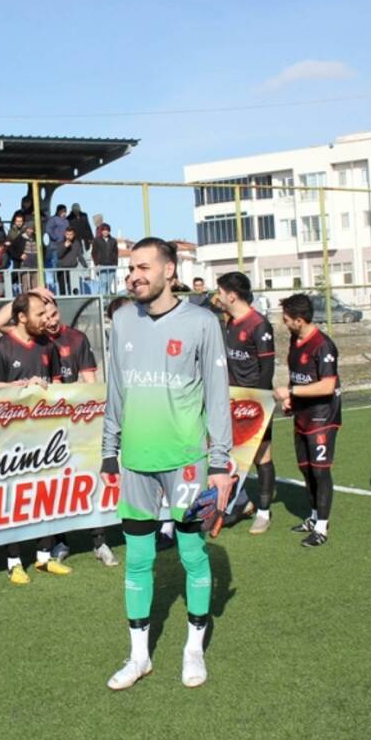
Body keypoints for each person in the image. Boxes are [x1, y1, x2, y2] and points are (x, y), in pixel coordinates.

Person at [100, 238, 233, 691]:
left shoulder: (201, 322)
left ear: (169, 271)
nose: (133, 275)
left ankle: (192, 649)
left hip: (187, 462)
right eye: (129, 268)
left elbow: (218, 395)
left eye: (142, 267)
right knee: (137, 559)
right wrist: (109, 448)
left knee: (192, 552)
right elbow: (115, 389)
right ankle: (139, 657)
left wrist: (221, 463)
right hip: (136, 461)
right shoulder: (121, 320)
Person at [0, 291, 67, 582]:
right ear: (22, 317)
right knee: (13, 498)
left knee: (45, 493)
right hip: (10, 436)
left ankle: (44, 556)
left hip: (44, 435)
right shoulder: (1, 348)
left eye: (45, 312)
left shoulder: (47, 346)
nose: (44, 319)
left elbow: (58, 386)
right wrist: (19, 388)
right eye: (39, 313)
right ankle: (13, 561)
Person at [273, 294, 342, 548]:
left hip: (323, 416)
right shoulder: (295, 339)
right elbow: (298, 375)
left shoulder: (323, 345)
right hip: (302, 414)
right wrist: (292, 397)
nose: (284, 323)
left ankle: (322, 527)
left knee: (320, 471)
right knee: (305, 468)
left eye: (287, 319)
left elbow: (326, 385)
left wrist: (290, 392)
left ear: (300, 320)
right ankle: (313, 517)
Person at [214, 272, 277, 534]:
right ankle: (241, 504)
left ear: (232, 295)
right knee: (228, 455)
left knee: (262, 456)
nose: (216, 296)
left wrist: (258, 404)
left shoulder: (259, 324)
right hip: (231, 401)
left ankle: (263, 513)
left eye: (219, 292)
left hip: (255, 402)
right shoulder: (230, 322)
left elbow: (267, 369)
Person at [55, 227, 85, 294]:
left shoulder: (77, 243)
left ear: (74, 234)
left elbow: (80, 256)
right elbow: (59, 255)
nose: (69, 236)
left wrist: (85, 266)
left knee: (73, 289)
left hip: (72, 269)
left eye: (71, 234)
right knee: (63, 290)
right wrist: (64, 247)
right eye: (67, 234)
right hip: (62, 269)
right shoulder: (60, 243)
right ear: (65, 234)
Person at [91, 222, 119, 293]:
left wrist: (115, 264)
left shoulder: (113, 241)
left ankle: (108, 301)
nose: (105, 232)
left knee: (109, 284)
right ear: (101, 231)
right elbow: (94, 252)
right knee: (103, 283)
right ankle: (103, 301)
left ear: (109, 231)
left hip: (111, 265)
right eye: (104, 230)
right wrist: (97, 263)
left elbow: (115, 252)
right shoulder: (97, 240)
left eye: (107, 230)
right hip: (101, 265)